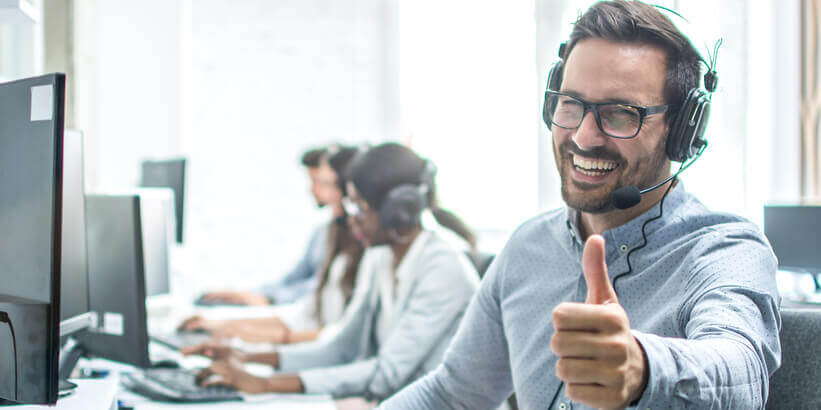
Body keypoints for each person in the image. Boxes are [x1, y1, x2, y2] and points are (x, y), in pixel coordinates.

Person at [380, 1, 780, 409]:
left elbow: (742, 373)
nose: (584, 137)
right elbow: (454, 393)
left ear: (681, 130)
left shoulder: (724, 249)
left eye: (621, 114)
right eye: (570, 105)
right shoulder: (527, 247)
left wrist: (644, 368)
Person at [182, 143, 480, 401]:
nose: (351, 218)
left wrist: (264, 383)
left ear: (397, 211)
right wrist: (246, 359)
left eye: (360, 206)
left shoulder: (443, 267)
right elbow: (342, 347)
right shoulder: (380, 257)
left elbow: (386, 374)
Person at [181, 146, 366, 344]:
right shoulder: (330, 233)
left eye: (326, 184)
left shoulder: (364, 254)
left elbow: (335, 334)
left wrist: (249, 330)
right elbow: (304, 310)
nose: (320, 192)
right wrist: (225, 324)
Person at [197, 145, 337, 306]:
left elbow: (324, 287)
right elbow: (293, 278)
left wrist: (270, 299)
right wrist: (245, 294)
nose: (312, 190)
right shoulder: (322, 232)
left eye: (319, 182)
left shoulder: (354, 237)